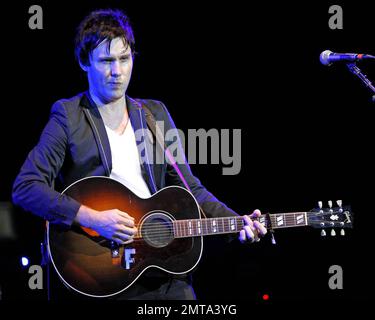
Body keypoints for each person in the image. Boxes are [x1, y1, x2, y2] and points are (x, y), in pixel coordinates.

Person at [12, 8, 266, 300]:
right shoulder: (68, 116)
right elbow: (26, 187)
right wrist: (93, 218)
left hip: (163, 266)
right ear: (84, 62)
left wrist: (238, 222)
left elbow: (189, 187)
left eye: (124, 58)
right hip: (102, 272)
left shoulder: (153, 114)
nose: (117, 72)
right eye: (106, 61)